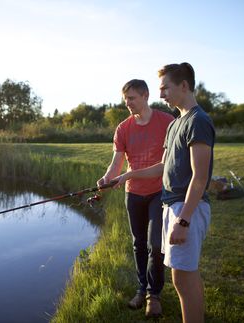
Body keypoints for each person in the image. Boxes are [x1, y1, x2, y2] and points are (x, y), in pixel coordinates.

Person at [113, 63, 215, 323]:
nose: (161, 95)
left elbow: (200, 178)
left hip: (185, 207)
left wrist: (183, 220)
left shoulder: (198, 121)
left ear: (183, 85)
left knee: (184, 277)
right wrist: (127, 175)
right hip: (171, 205)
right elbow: (163, 166)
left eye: (165, 88)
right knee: (181, 277)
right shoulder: (176, 124)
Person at [97, 79, 174, 317]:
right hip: (133, 194)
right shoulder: (123, 128)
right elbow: (116, 163)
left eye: (132, 98)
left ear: (145, 96)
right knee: (138, 244)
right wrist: (106, 179)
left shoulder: (167, 122)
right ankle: (142, 289)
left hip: (158, 192)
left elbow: (165, 166)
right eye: (125, 99)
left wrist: (128, 174)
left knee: (155, 245)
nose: (127, 103)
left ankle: (154, 296)